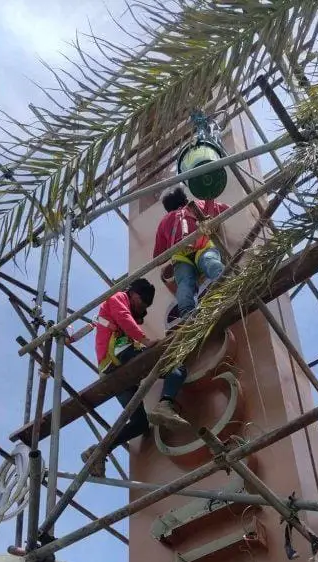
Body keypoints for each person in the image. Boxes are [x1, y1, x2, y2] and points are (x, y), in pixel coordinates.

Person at [80, 278, 189, 477]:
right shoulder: (118, 298)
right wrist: (145, 341)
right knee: (176, 367)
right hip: (119, 355)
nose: (142, 308)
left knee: (140, 423)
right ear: (136, 294)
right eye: (143, 303)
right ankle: (165, 405)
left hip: (114, 371)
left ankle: (98, 451)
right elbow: (123, 316)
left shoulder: (121, 308)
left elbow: (127, 319)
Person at [153, 186, 229, 318]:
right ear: (184, 199)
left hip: (181, 255)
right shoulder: (195, 205)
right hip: (202, 245)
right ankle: (226, 286)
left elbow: (157, 257)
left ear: (167, 207)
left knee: (184, 284)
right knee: (211, 263)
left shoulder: (164, 222)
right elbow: (226, 209)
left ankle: (187, 315)